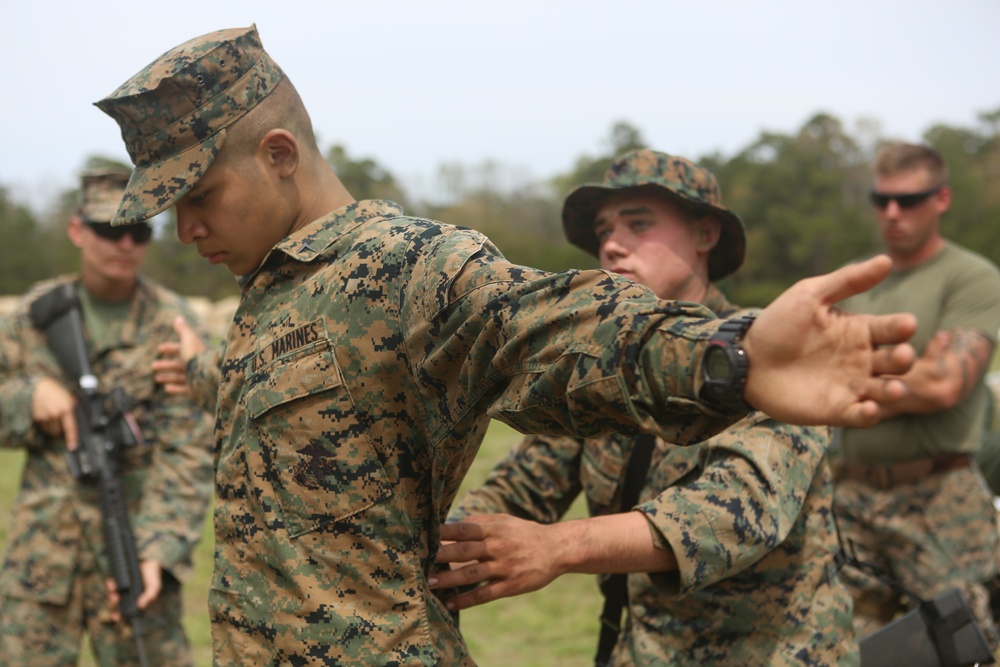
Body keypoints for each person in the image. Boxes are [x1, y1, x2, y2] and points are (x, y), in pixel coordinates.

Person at [94, 25, 918, 666]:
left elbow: (554, 330)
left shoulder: (409, 266)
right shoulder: (269, 292)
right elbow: (313, 417)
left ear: (278, 155)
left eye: (200, 195)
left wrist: (729, 358)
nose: (186, 228)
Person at [432, 149, 857, 666]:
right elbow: (524, 484)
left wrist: (560, 547)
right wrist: (423, 549)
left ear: (705, 235)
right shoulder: (604, 363)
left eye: (638, 224)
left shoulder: (764, 351)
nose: (611, 244)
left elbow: (735, 512)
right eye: (604, 231)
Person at [0, 166, 215, 666]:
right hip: (42, 561)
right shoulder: (33, 316)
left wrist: (159, 550)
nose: (125, 245)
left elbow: (187, 450)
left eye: (139, 232)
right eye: (110, 230)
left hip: (136, 557)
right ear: (78, 230)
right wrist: (26, 398)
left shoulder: (173, 325)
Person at [834, 142, 1000, 644]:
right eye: (880, 200)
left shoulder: (971, 277)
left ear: (941, 198)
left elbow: (946, 385)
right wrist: (915, 370)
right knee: (843, 648)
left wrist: (851, 375)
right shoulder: (860, 281)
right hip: (853, 497)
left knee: (961, 646)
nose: (891, 213)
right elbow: (815, 380)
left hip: (939, 500)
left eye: (908, 200)